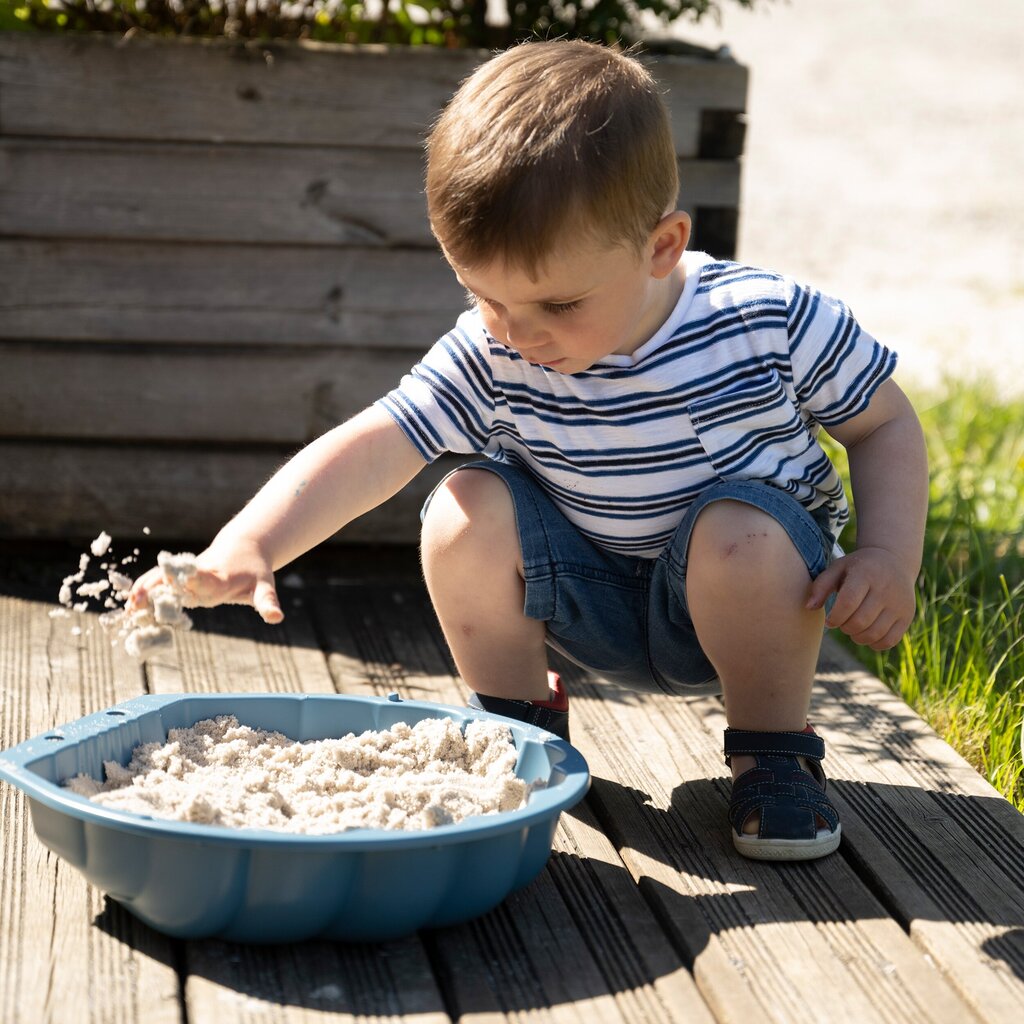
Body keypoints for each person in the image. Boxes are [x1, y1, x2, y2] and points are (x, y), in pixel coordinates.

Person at [133, 39, 928, 861]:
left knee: (742, 531)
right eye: (483, 297)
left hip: (747, 600)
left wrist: (889, 557)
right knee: (461, 507)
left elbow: (886, 425)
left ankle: (773, 752)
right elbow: (381, 441)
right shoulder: (499, 348)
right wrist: (250, 544)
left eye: (557, 303)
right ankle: (518, 724)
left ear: (662, 245)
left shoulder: (765, 322)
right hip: (586, 598)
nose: (519, 334)